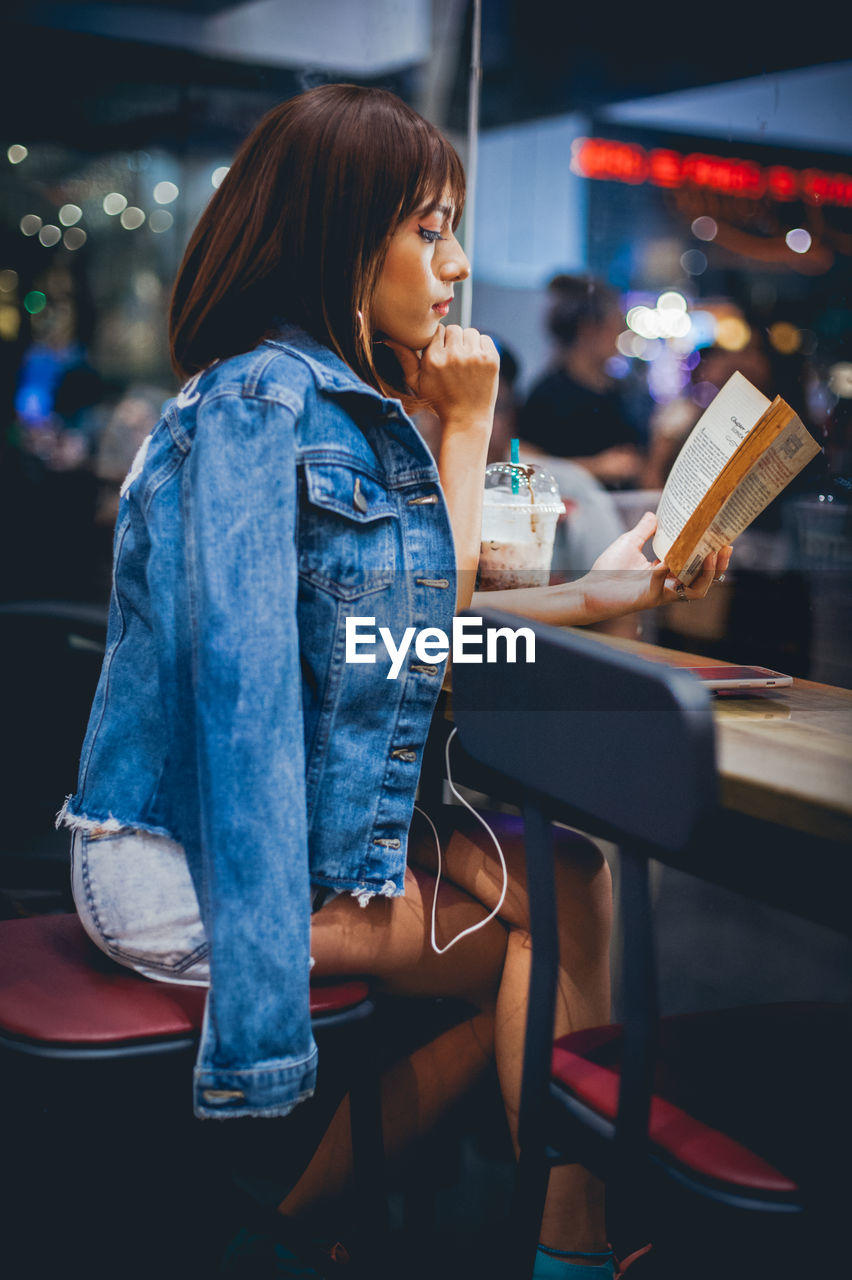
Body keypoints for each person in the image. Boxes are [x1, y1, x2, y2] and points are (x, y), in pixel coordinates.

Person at [56, 85, 729, 1278]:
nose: (458, 263)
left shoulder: (335, 408)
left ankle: (298, 1230)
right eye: (429, 227)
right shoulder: (263, 409)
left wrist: (605, 597)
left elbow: (396, 639)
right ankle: (558, 1250)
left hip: (264, 838)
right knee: (560, 915)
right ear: (336, 235)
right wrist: (465, 434)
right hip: (185, 863)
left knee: (559, 890)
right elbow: (265, 700)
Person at [519, 275, 643, 490]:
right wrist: (596, 467)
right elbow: (526, 466)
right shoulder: (548, 395)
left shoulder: (619, 390)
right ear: (588, 330)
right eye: (613, 326)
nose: (619, 335)